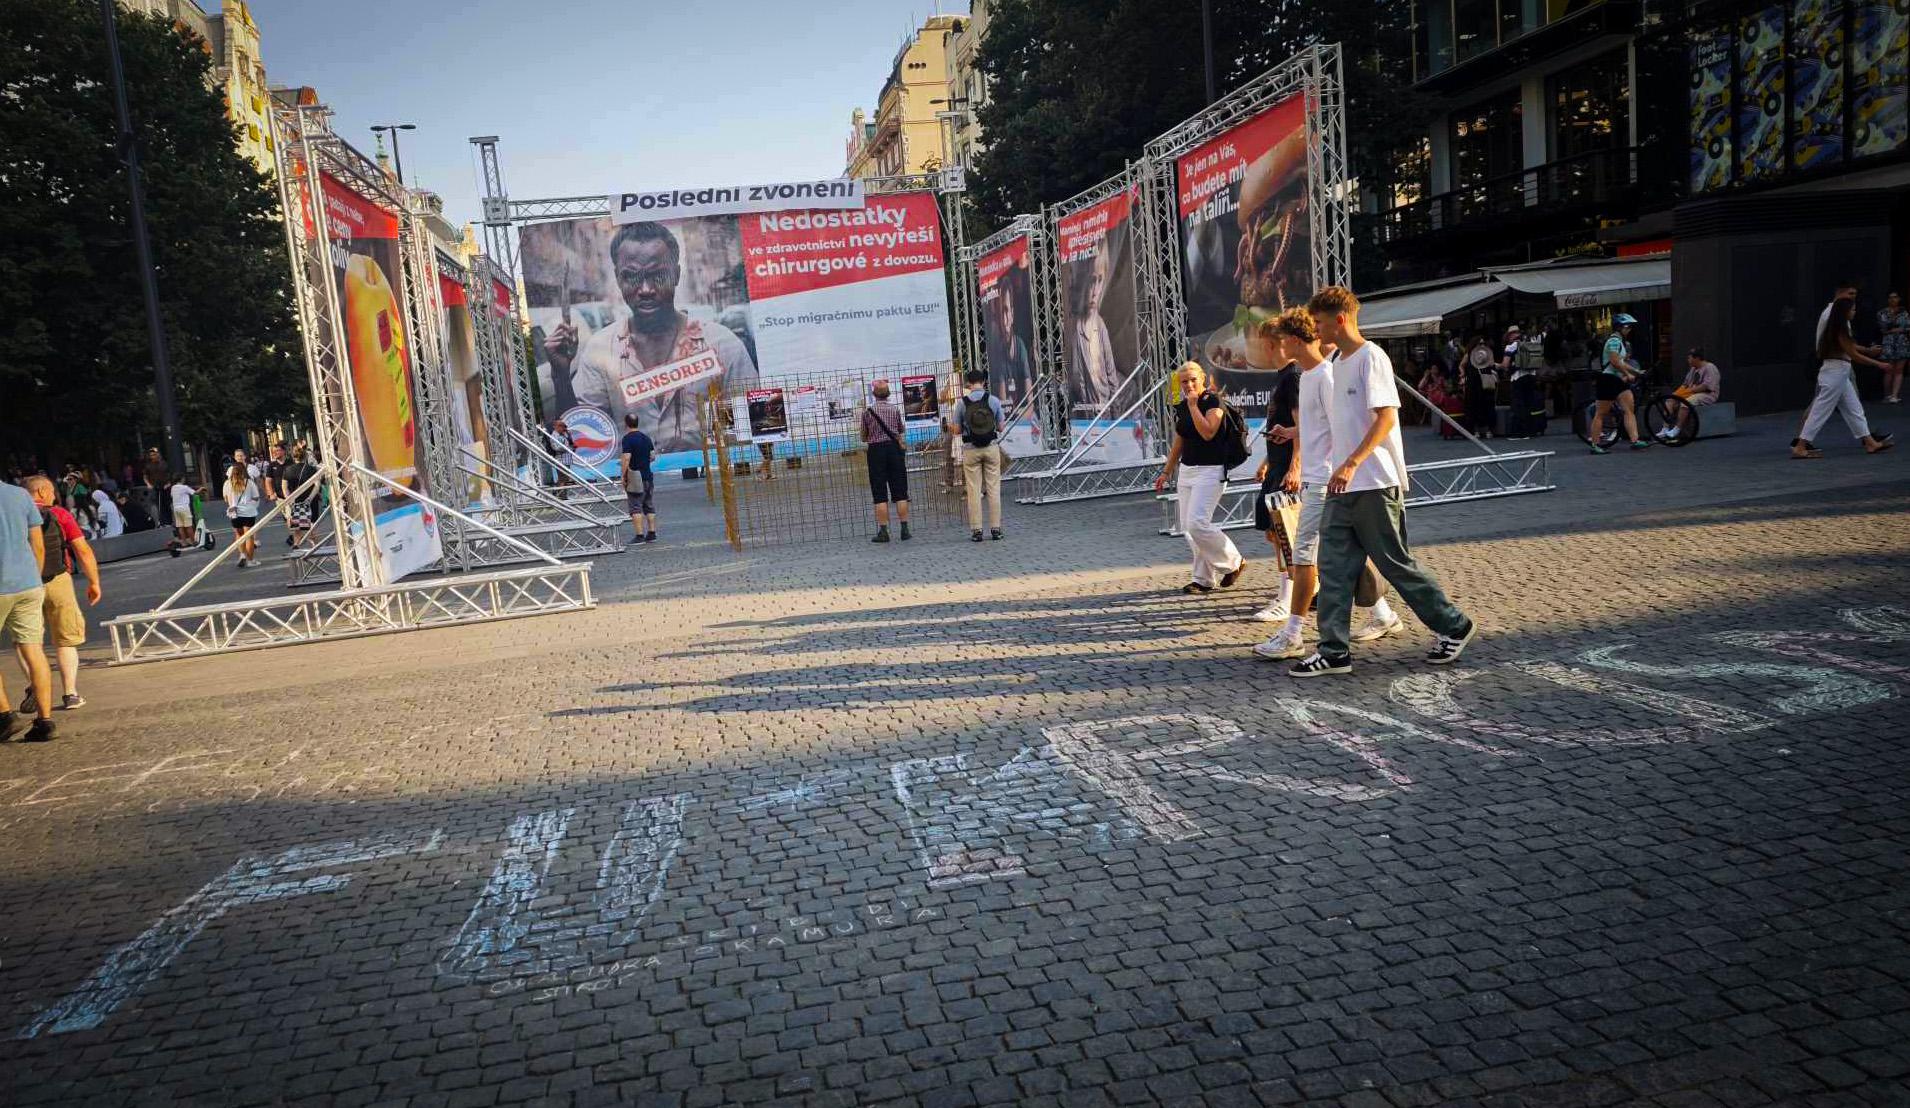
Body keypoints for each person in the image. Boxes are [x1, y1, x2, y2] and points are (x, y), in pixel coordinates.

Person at [1288, 286, 1476, 678]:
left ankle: (1454, 625)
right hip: (1343, 486)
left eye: (1320, 323)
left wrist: (1352, 462)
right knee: (1335, 567)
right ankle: (1334, 651)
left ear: (1340, 320)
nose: (1316, 331)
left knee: (1395, 564)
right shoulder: (1337, 361)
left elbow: (1387, 417)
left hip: (1374, 482)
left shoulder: (1371, 357)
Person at [1252, 309, 1400, 660]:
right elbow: (1323, 425)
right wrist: (1293, 433)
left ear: (1292, 340)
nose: (1275, 346)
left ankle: (1293, 633)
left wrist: (1337, 469)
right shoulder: (1308, 376)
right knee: (1338, 554)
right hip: (1317, 480)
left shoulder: (1324, 376)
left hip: (1323, 482)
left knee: (1303, 557)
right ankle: (1382, 614)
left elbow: (1345, 428)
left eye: (1281, 339)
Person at [541, 221, 759, 454]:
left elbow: (756, 429)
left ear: (675, 274)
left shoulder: (722, 345)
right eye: (632, 277)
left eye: (658, 276)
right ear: (618, 278)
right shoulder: (600, 349)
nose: (645, 289)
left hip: (711, 487)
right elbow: (578, 440)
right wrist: (561, 376)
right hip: (635, 488)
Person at [1154, 361, 1244, 594]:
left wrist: (1194, 406)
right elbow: (1180, 439)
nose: (1189, 384)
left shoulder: (1213, 401)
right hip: (1187, 470)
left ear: (1203, 378)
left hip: (1211, 470)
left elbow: (1208, 432)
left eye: (1193, 379)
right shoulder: (1183, 405)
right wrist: (1167, 470)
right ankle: (1203, 579)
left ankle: (1234, 562)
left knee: (1198, 523)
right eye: (1184, 381)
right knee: (1189, 528)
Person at [21, 476, 98, 711]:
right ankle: (70, 694)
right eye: (53, 491)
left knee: (25, 640)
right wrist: (94, 582)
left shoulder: (14, 516)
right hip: (58, 579)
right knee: (65, 639)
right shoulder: (60, 514)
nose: (55, 495)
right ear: (43, 492)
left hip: (24, 583)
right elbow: (81, 549)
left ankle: (36, 685)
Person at [1794, 297, 1896, 458]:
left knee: (1854, 409)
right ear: (1845, 312)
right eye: (1853, 309)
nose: (1855, 312)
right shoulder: (1839, 330)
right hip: (1834, 374)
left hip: (1839, 373)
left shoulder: (1837, 330)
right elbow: (1853, 354)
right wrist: (1879, 364)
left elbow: (1851, 348)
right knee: (1820, 412)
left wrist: (1868, 352)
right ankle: (1800, 446)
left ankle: (1870, 442)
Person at [0, 479, 55, 741]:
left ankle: (5, 716)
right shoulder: (21, 495)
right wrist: (37, 576)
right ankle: (44, 721)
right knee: (34, 650)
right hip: (28, 583)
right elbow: (38, 544)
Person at [949, 369, 1007, 542]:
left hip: (970, 449)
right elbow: (1001, 427)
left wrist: (952, 427)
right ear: (984, 381)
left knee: (974, 491)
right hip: (991, 447)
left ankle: (977, 531)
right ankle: (996, 529)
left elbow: (957, 430)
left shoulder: (961, 403)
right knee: (993, 489)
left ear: (968, 383)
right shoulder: (994, 400)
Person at [1065, 249, 1122, 408]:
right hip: (1089, 409)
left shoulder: (1101, 325)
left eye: (1099, 280)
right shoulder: (1077, 326)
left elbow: (1110, 369)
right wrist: (1087, 405)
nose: (1095, 291)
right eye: (1091, 281)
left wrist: (1114, 406)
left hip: (1106, 404)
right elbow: (1078, 374)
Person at [1587, 313, 1650, 454]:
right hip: (1608, 379)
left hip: (1617, 380)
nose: (1629, 329)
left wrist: (1636, 372)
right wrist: (1628, 374)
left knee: (1629, 409)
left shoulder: (1620, 341)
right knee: (1601, 413)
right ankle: (1595, 445)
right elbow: (1615, 362)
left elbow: (1622, 362)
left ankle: (1635, 440)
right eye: (1627, 327)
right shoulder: (1613, 341)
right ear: (1619, 327)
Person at [860, 380, 911, 543]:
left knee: (879, 492)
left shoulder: (868, 412)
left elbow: (863, 436)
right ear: (888, 393)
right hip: (894, 450)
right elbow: (900, 430)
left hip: (876, 452)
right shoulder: (895, 409)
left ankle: (884, 532)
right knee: (900, 491)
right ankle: (904, 530)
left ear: (874, 394)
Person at [619, 414, 657, 544]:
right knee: (649, 505)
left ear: (626, 424)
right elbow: (652, 456)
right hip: (648, 475)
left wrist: (623, 475)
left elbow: (626, 458)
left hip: (635, 477)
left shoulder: (627, 439)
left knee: (635, 506)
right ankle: (652, 533)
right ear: (637, 422)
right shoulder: (646, 438)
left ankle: (639, 535)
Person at [224, 462, 261, 567]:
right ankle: (250, 560)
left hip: (234, 512)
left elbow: (226, 498)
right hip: (248, 512)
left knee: (239, 535)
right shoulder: (249, 482)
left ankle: (242, 555)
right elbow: (256, 496)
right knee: (249, 536)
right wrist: (249, 501)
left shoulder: (228, 484)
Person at [281, 442, 318, 547]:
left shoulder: (288, 470)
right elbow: (317, 485)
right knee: (311, 524)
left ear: (293, 457)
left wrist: (289, 499)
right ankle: (314, 546)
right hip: (310, 501)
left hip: (296, 501)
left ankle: (297, 545)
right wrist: (310, 498)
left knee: (297, 527)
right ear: (305, 456)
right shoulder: (311, 469)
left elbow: (284, 487)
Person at [1462, 337, 1497, 438]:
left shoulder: (1488, 354)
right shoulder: (1469, 355)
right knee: (1473, 405)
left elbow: (1492, 365)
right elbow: (1461, 365)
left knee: (1487, 405)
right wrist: (1463, 373)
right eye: (1479, 344)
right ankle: (1475, 430)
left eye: (1483, 343)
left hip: (1485, 382)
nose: (1482, 346)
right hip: (1473, 383)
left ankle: (1488, 430)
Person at [1878, 290, 1908, 404]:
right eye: (1890, 297)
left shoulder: (1904, 313)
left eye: (1895, 297)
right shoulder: (1882, 313)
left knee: (1899, 370)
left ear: (1899, 299)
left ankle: (1895, 395)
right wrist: (1896, 328)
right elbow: (1884, 328)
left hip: (1902, 343)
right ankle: (1887, 394)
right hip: (1888, 343)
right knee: (1889, 370)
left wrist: (1897, 329)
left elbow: (1907, 327)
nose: (1893, 299)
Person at [166, 474, 197, 555]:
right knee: (189, 526)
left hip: (176, 509)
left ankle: (184, 542)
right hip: (184, 508)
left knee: (180, 526)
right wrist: (202, 489)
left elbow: (172, 496)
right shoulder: (184, 487)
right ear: (181, 479)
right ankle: (193, 541)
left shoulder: (173, 488)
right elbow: (194, 493)